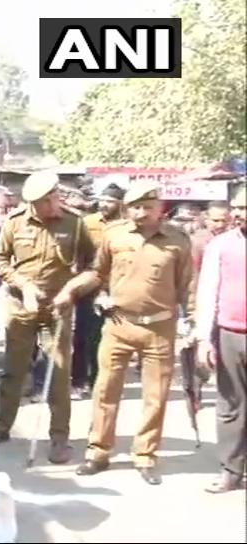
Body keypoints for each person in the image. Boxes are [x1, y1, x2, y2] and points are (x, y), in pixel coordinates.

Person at [55, 182, 195, 485]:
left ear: (160, 209)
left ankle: (145, 456)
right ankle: (98, 452)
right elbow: (98, 273)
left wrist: (194, 324)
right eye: (135, 207)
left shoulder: (178, 241)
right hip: (118, 324)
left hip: (159, 327)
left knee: (155, 397)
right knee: (105, 391)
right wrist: (83, 292)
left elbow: (188, 287)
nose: (141, 213)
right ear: (126, 208)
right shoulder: (114, 235)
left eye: (148, 207)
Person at [0, 170, 94, 465]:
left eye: (56, 197)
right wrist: (24, 285)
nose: (56, 203)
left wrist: (71, 290)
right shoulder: (14, 224)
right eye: (49, 200)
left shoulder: (75, 224)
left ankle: (59, 437)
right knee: (13, 371)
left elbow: (93, 266)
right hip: (21, 307)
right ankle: (1, 426)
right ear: (35, 203)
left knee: (58, 376)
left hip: (58, 309)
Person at [194, 186, 246, 494]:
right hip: (230, 335)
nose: (237, 213)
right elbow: (207, 292)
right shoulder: (221, 245)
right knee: (230, 405)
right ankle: (231, 470)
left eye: (244, 207)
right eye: (235, 207)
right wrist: (203, 338)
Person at [71, 183, 125, 399]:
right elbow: (78, 253)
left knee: (108, 339)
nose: (105, 204)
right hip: (89, 285)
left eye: (110, 201)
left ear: (120, 204)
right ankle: (78, 381)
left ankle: (99, 383)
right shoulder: (87, 223)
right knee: (83, 336)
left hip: (117, 288)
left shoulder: (127, 226)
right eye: (102, 200)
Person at [191, 201, 232, 271]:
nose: (220, 225)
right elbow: (194, 271)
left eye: (224, 221)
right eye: (216, 221)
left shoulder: (236, 239)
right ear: (206, 219)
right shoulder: (197, 241)